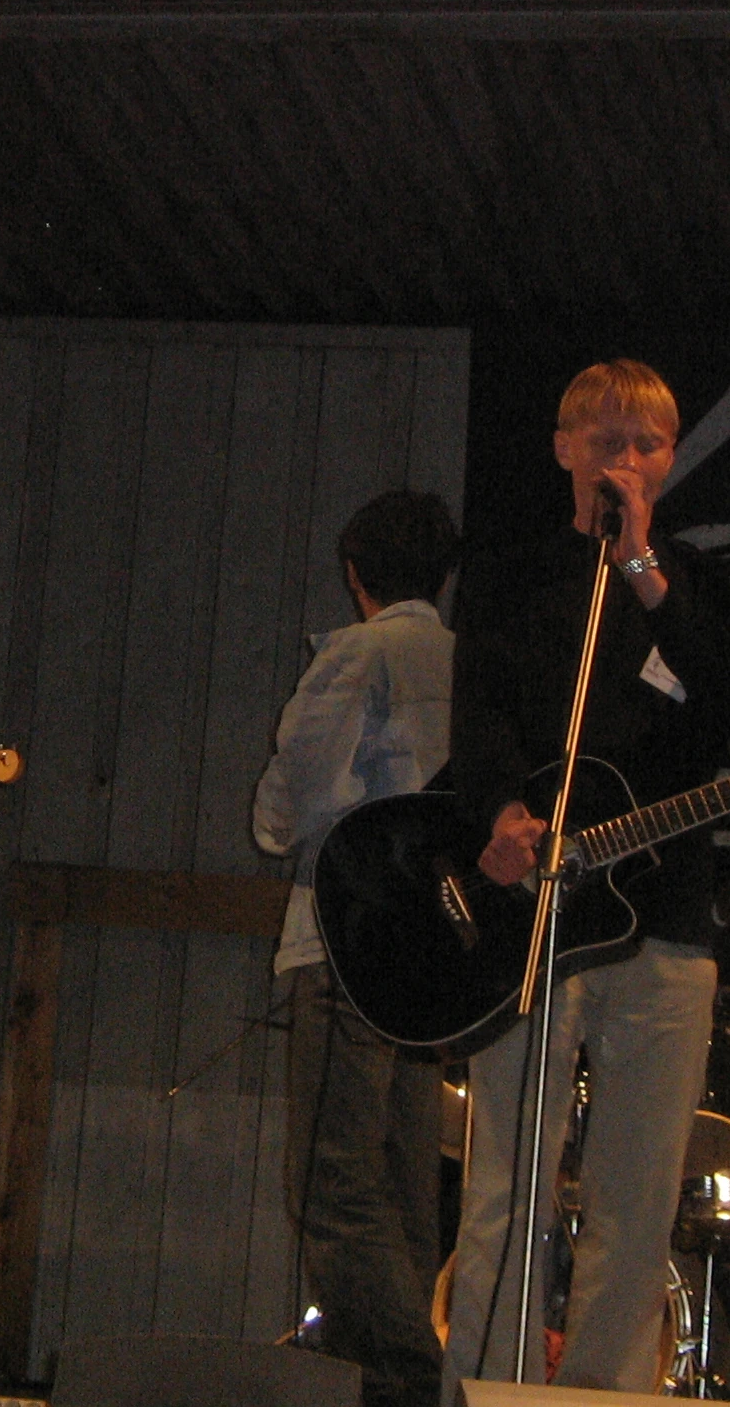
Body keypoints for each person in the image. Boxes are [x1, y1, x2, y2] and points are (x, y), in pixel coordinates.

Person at [441, 359, 730, 1400]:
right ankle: (485, 1388)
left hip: (665, 915)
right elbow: (478, 714)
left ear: (668, 460)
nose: (625, 459)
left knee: (637, 1197)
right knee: (508, 1183)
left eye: (645, 443)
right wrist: (499, 814)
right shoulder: (509, 577)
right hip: (537, 910)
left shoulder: (703, 585)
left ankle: (607, 1395)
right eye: (606, 440)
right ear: (563, 450)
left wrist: (643, 570)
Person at [253, 489, 461, 1407]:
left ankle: (406, 1378)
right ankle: (392, 1375)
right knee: (405, 1182)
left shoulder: (359, 653)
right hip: (433, 956)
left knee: (329, 1181)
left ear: (354, 574)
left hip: (351, 936)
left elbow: (286, 804)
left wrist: (283, 820)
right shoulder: (466, 663)